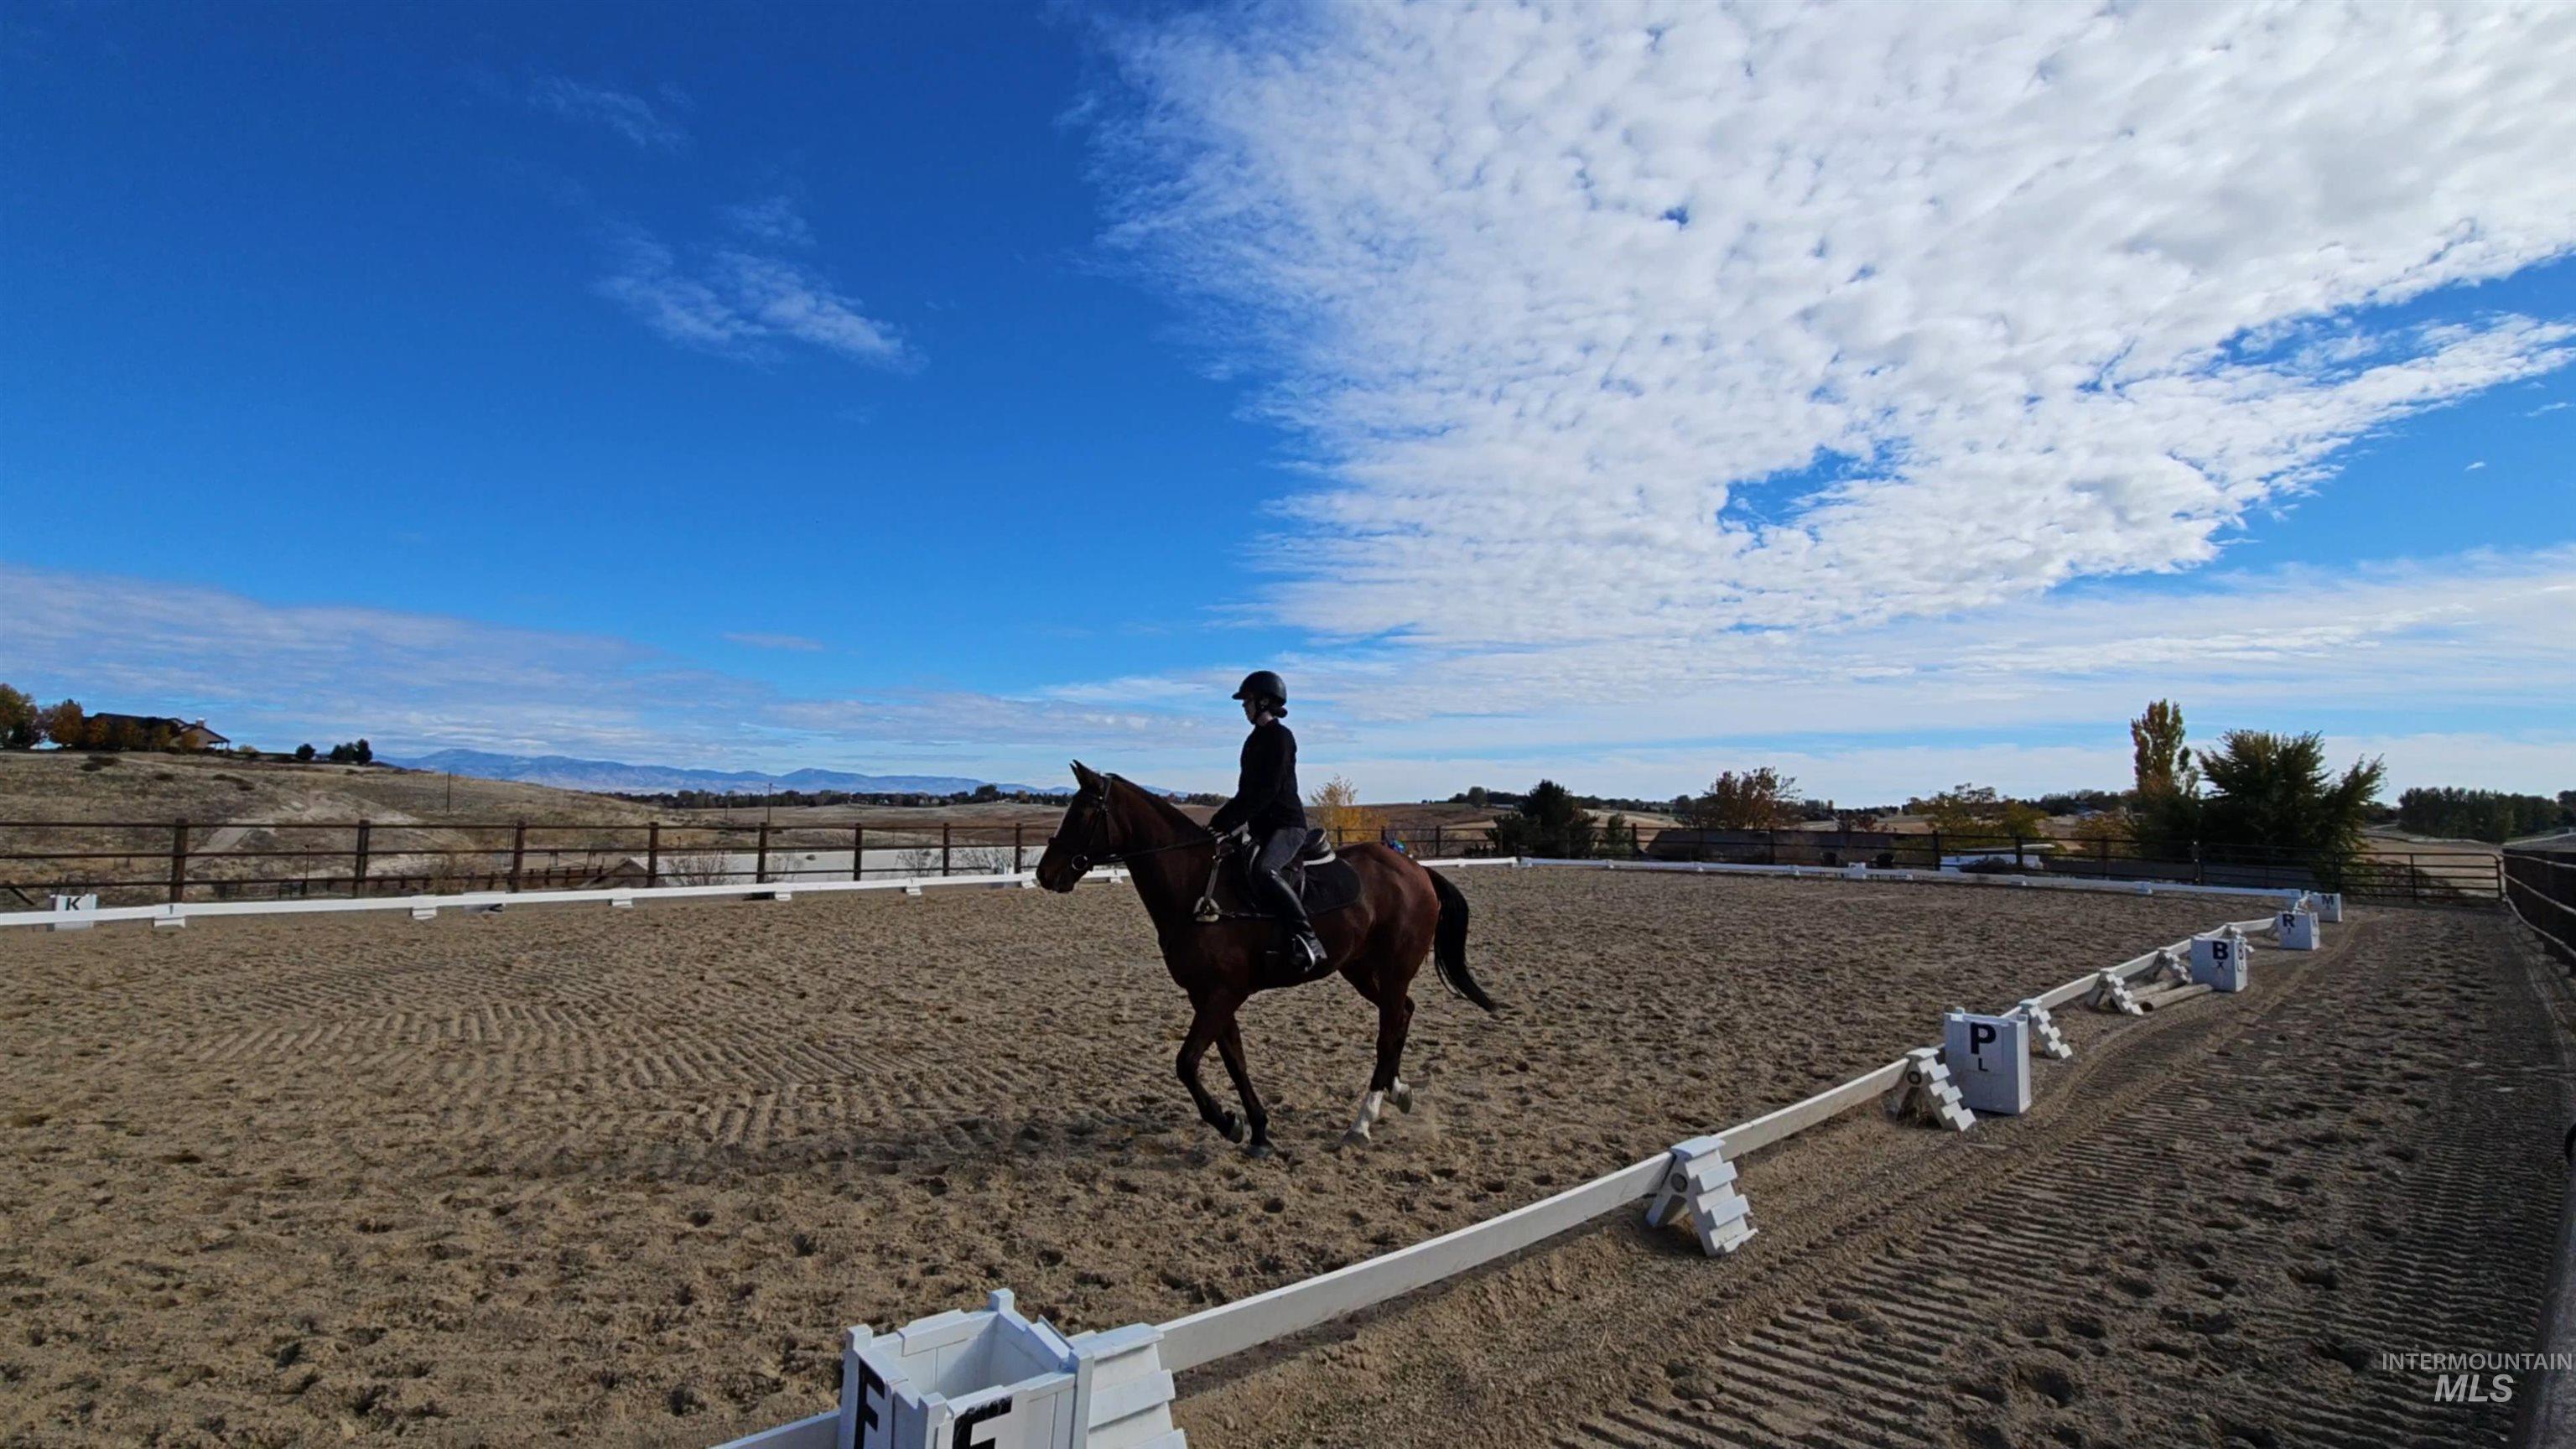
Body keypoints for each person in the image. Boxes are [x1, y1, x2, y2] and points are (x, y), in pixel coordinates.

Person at [1208, 670, 1322, 970]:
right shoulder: (1253, 740)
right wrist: (1218, 824)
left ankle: (1307, 937)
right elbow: (1245, 792)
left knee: (1265, 869)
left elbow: (1267, 791)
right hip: (1262, 827)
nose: (1244, 707)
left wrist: (1227, 821)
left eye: (1247, 701)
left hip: (1287, 825)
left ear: (1264, 701)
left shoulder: (1281, 737)